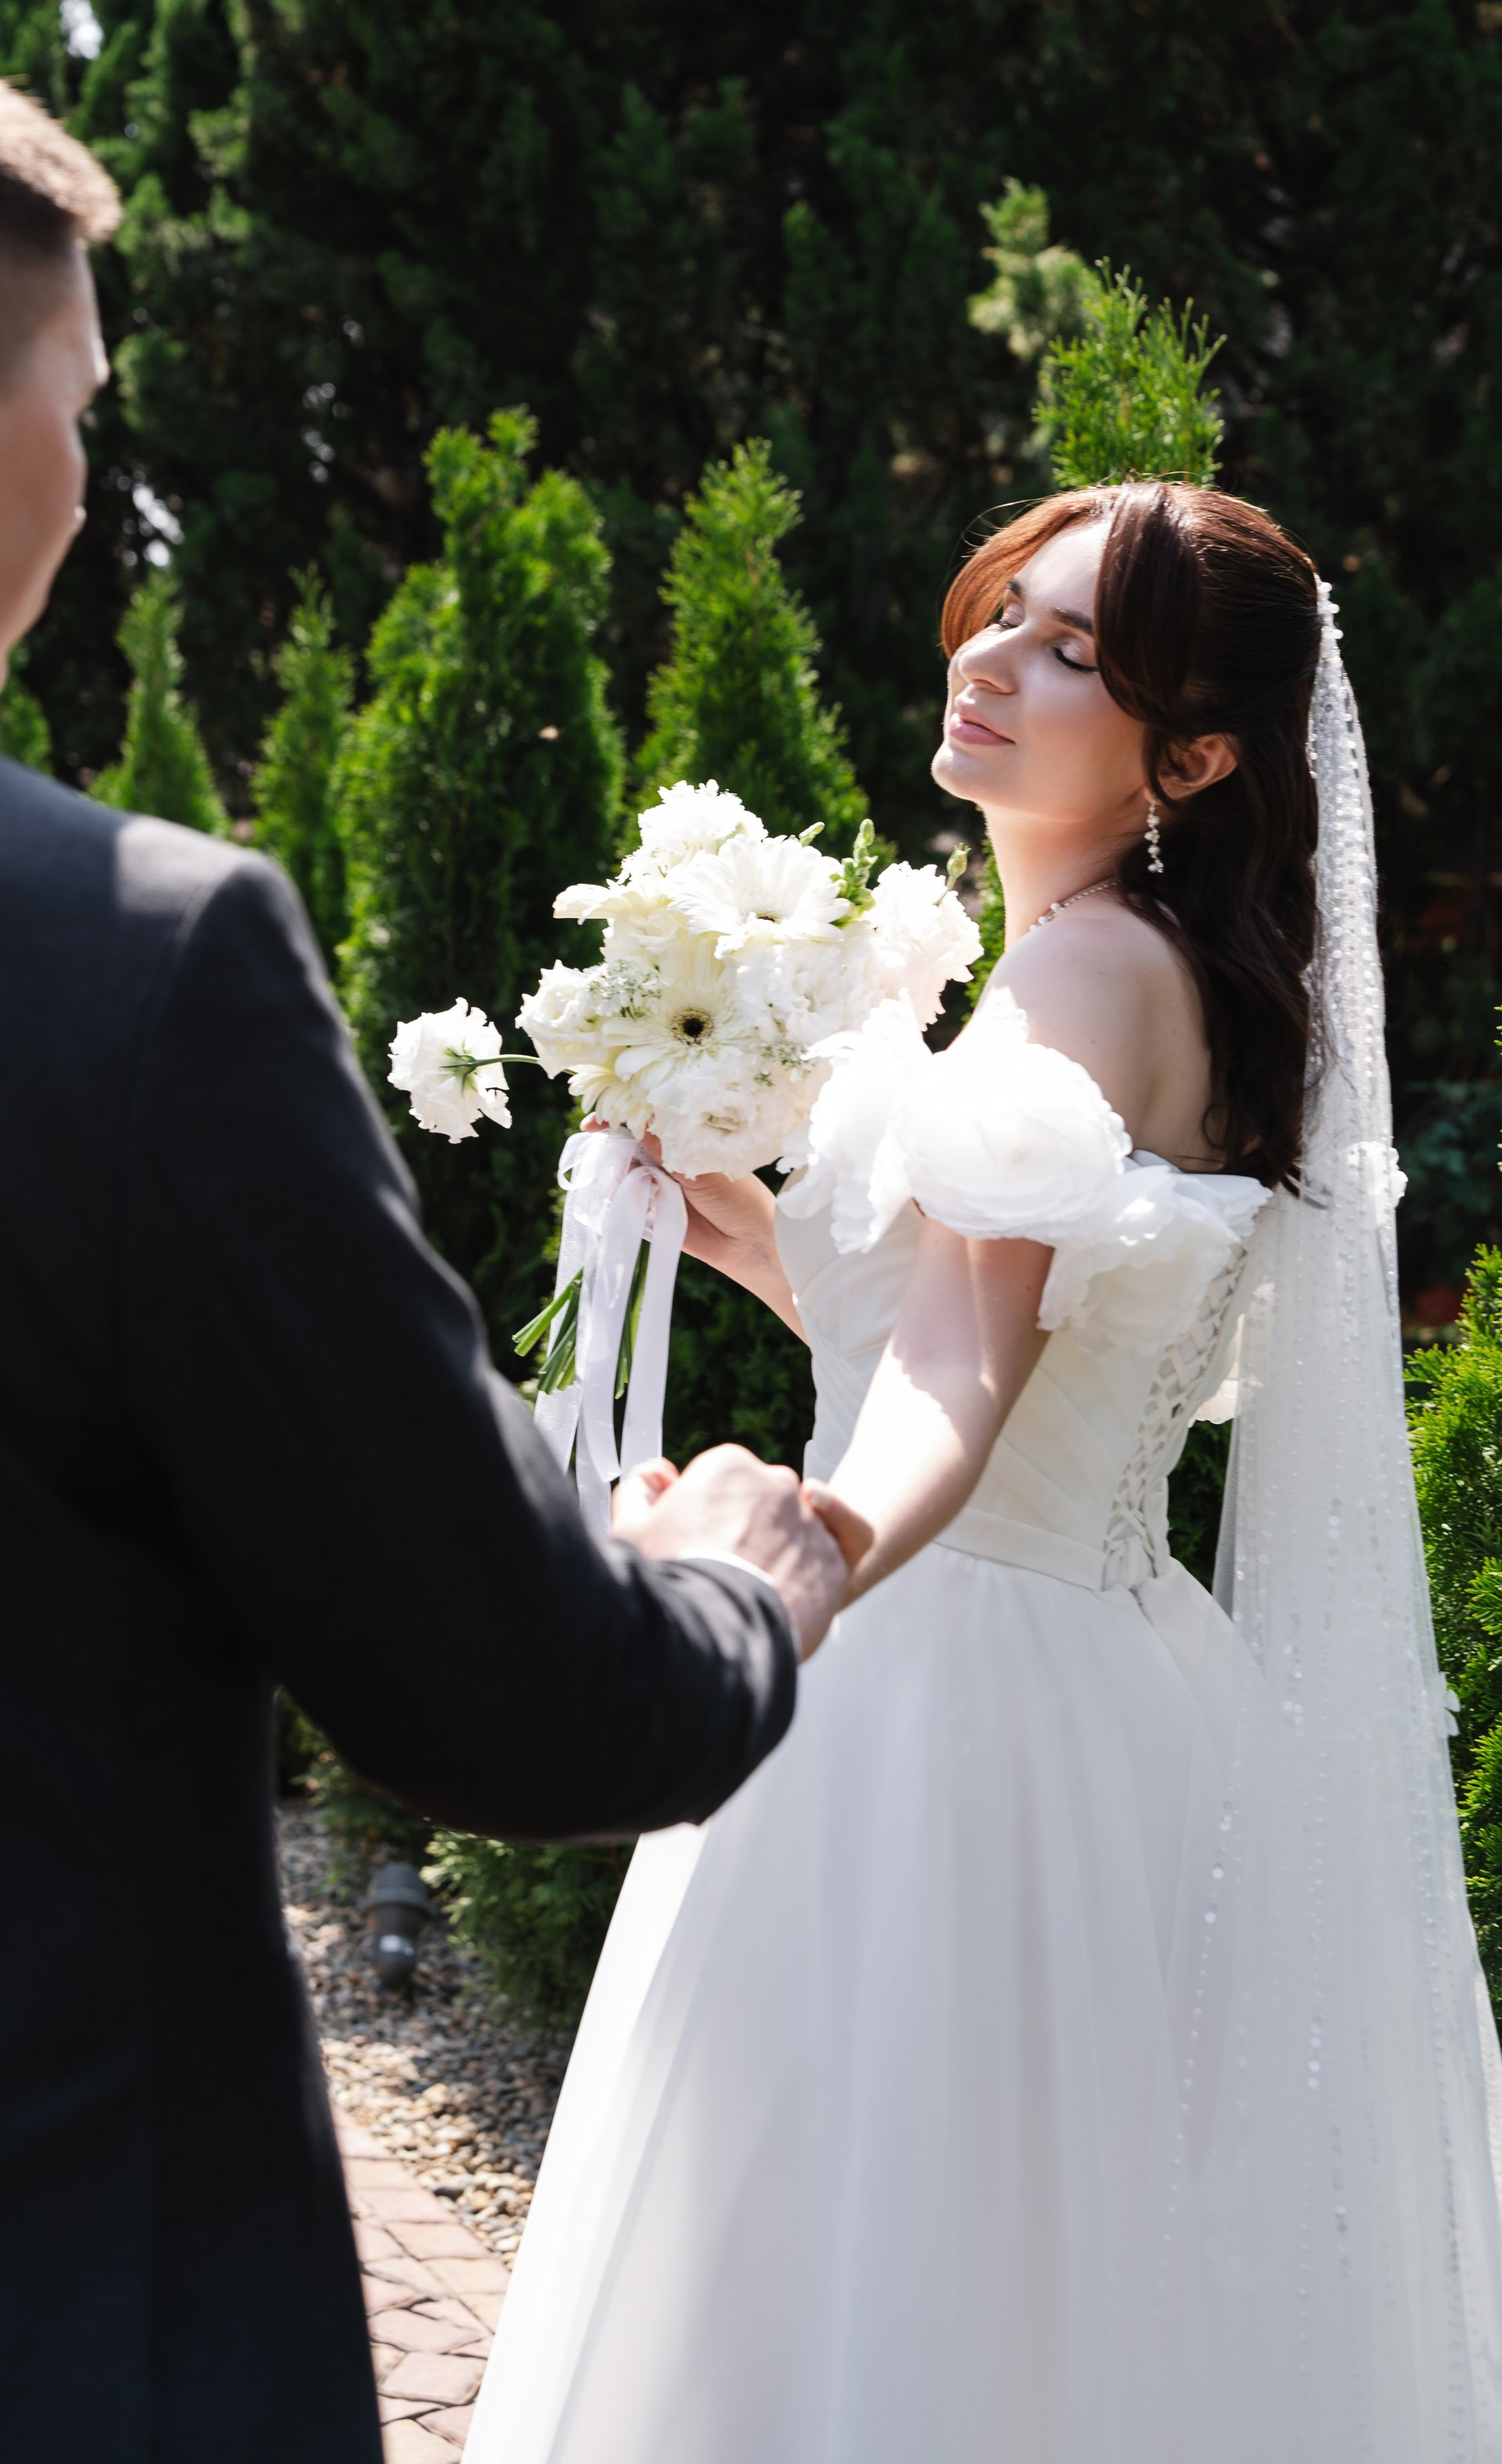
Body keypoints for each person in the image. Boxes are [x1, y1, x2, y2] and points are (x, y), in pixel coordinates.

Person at [0, 35, 850, 2461]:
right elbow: (514, 1703)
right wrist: (744, 1583)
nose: (90, 486)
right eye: (80, 413)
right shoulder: (122, 960)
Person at [468, 482, 1502, 2460]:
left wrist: (828, 1539)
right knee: (1042, 2301)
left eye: (1070, 654)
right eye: (1003, 613)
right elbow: (976, 1345)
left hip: (942, 1694)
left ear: (1192, 755)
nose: (992, 658)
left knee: (846, 2276)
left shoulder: (1075, 985)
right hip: (1105, 1675)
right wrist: (760, 1240)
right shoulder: (1149, 971)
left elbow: (958, 1363)